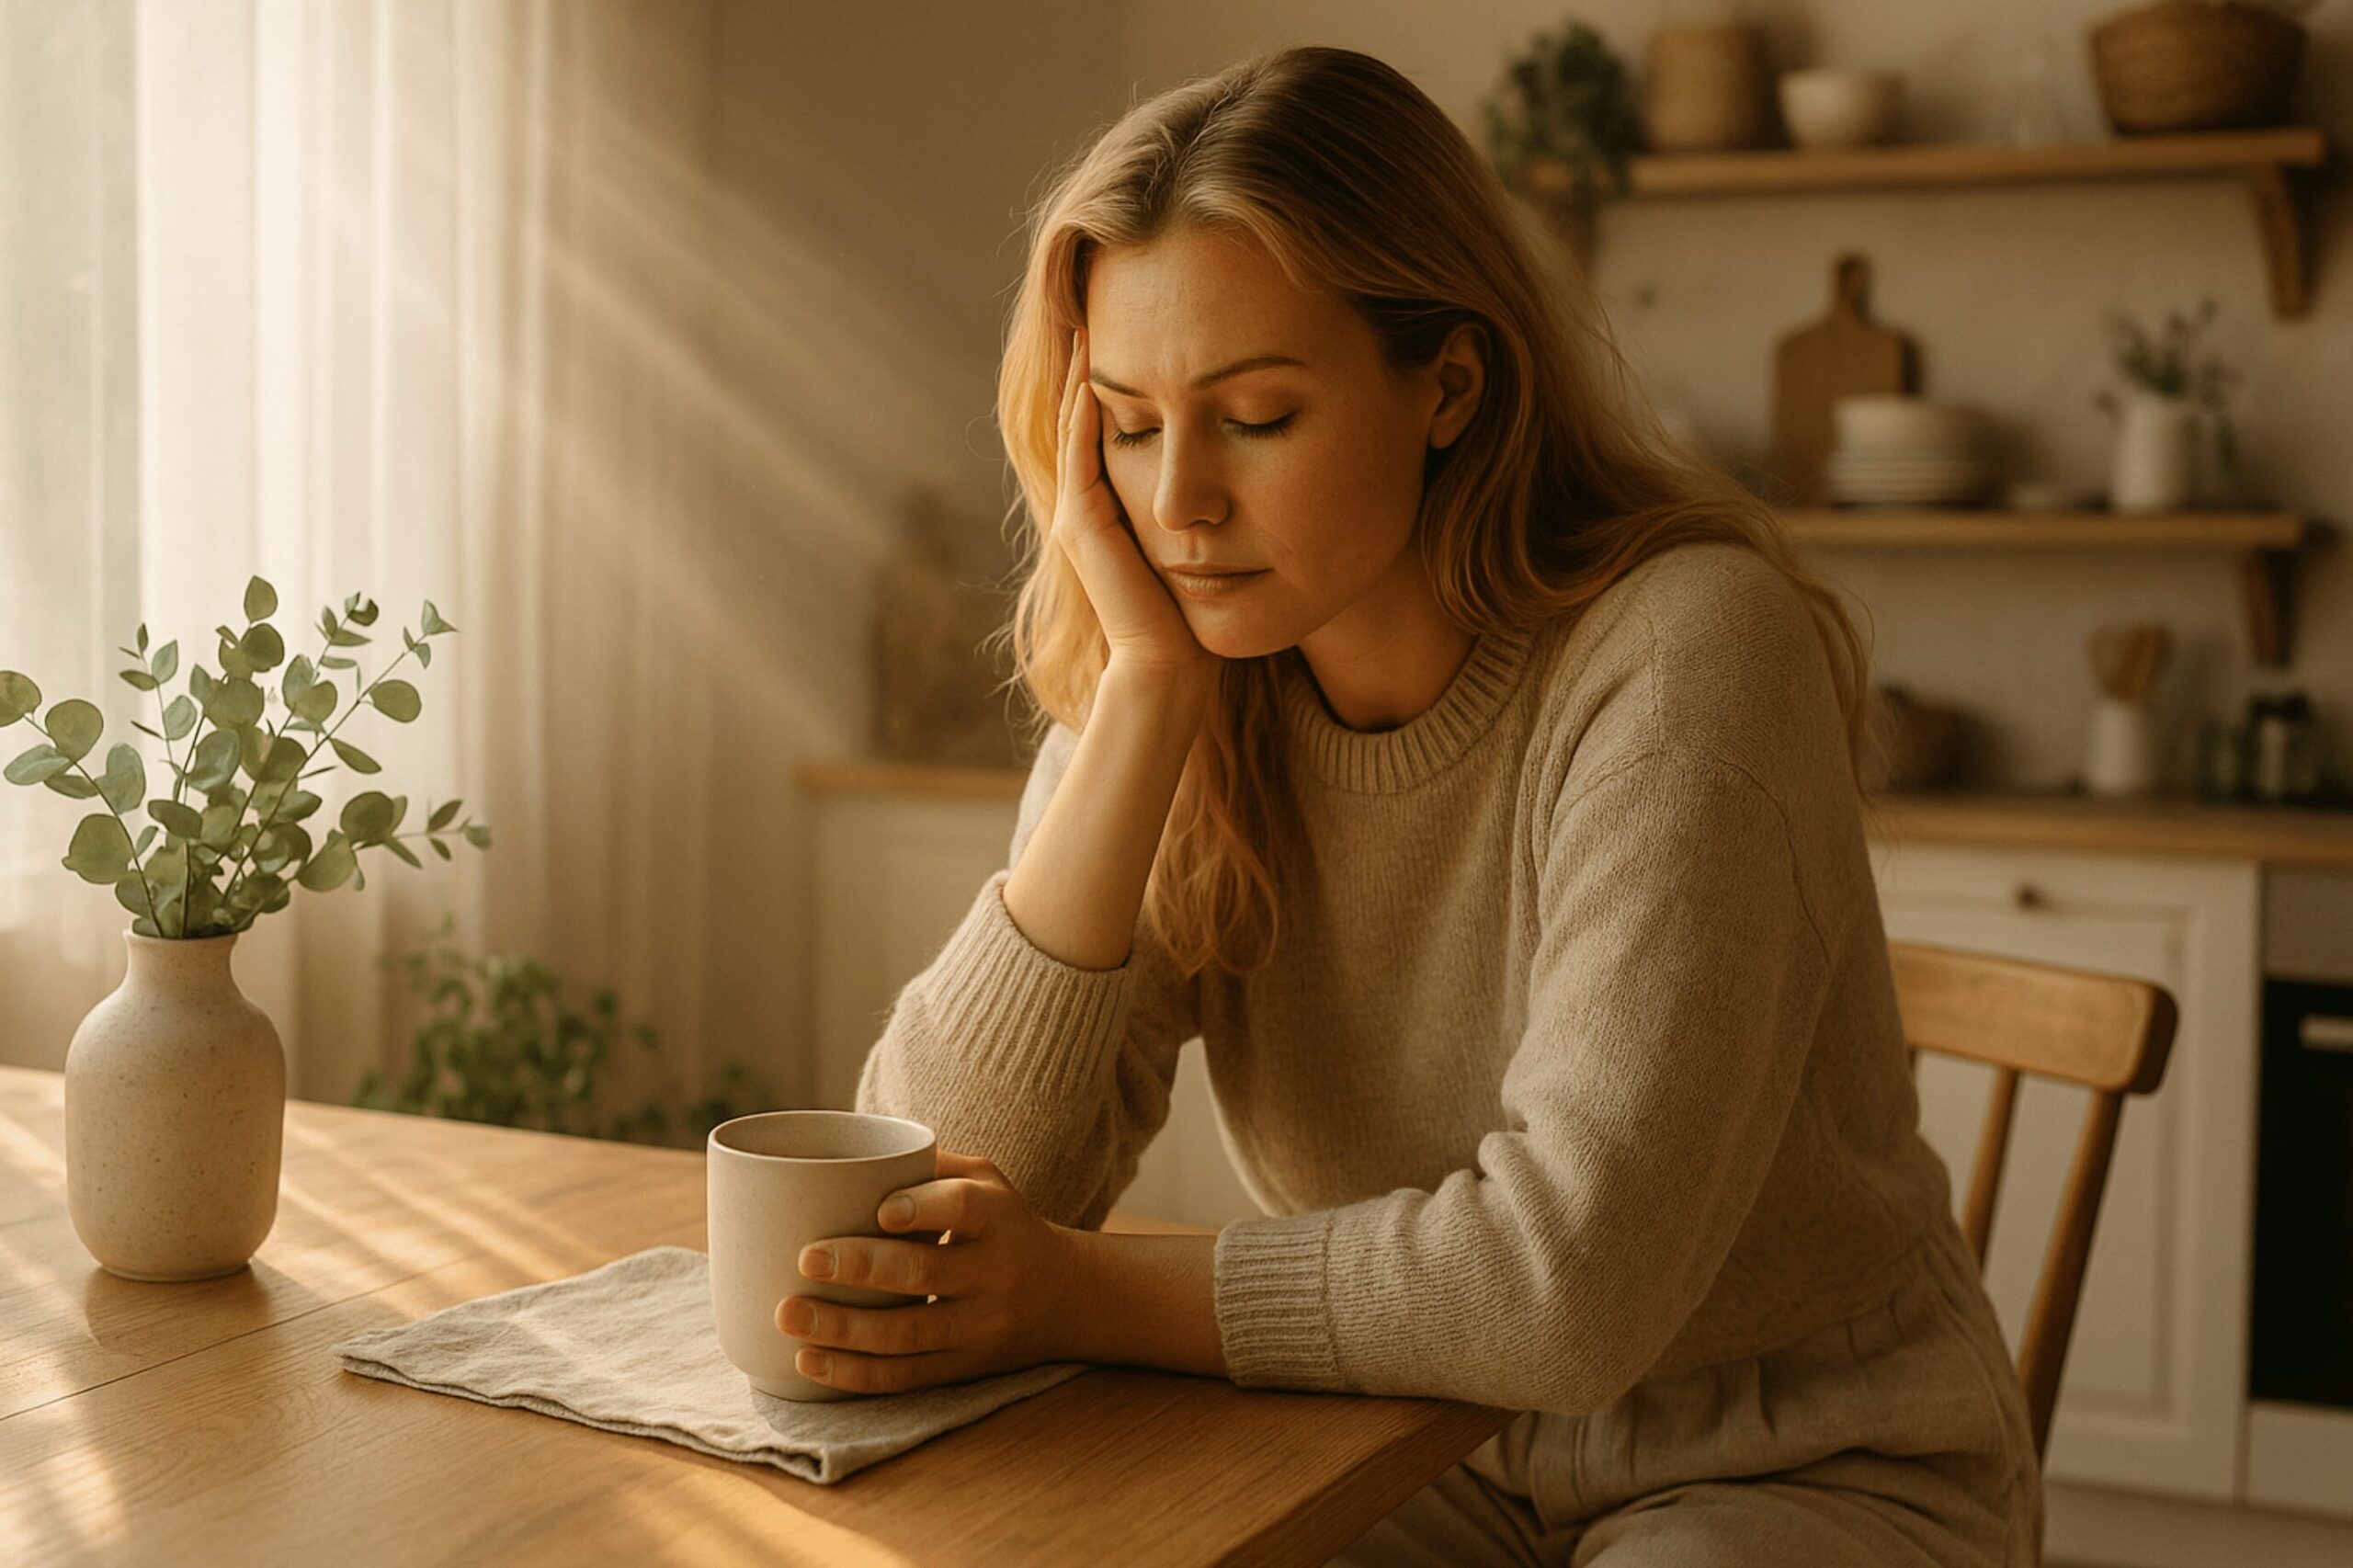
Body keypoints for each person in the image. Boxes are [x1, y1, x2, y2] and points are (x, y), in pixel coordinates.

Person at [784, 44, 2043, 1567]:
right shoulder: (1190, 668)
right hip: (1408, 1438)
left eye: (1252, 415)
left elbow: (1563, 1290)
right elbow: (936, 1196)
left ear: (1449, 383)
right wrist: (1142, 714)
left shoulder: (1685, 652)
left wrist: (1073, 1288)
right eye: (1124, 420)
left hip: (1802, 1467)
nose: (1175, 501)